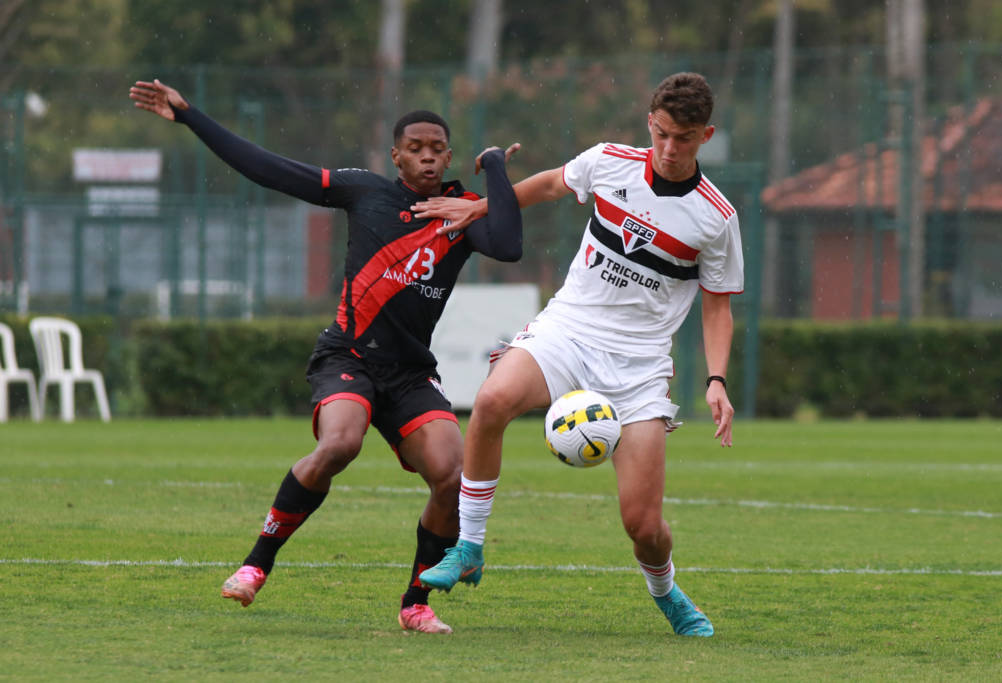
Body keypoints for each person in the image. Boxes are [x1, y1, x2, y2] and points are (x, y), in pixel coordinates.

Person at [129, 79, 523, 634]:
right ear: (396, 156)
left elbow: (508, 245)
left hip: (409, 373)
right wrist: (193, 118)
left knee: (451, 475)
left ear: (450, 155)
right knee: (340, 442)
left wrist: (493, 174)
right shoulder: (364, 191)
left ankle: (415, 603)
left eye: (437, 147)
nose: (427, 155)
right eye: (415, 147)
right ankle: (256, 564)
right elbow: (270, 168)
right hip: (350, 355)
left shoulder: (458, 215)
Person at [411, 72, 742, 636]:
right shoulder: (609, 161)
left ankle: (666, 591)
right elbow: (546, 186)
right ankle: (468, 546)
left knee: (643, 526)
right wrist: (480, 209)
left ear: (705, 136)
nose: (668, 148)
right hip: (568, 329)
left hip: (638, 368)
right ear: (649, 123)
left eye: (683, 138)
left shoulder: (716, 217)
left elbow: (717, 307)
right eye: (661, 133)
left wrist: (716, 379)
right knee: (491, 402)